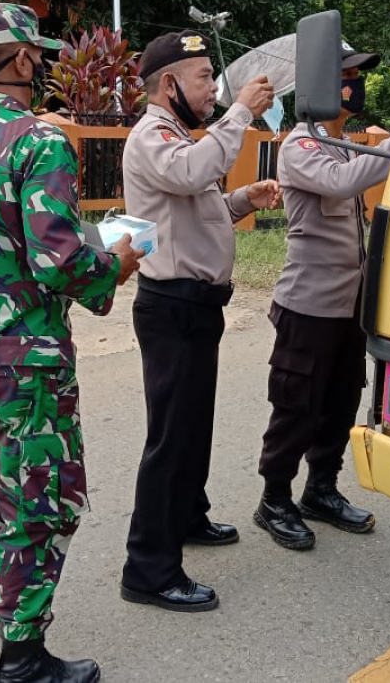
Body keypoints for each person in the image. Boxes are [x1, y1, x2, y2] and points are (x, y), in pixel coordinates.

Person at [0, 3, 142, 683]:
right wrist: (117, 263)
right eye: (36, 54)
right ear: (21, 59)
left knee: (1, 462)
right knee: (44, 497)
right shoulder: (38, 142)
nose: (40, 63)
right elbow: (59, 260)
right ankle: (23, 656)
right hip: (26, 357)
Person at [119, 30, 281, 612]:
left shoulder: (183, 138)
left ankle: (188, 515)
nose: (213, 89)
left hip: (197, 306)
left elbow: (195, 202)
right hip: (172, 306)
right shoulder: (153, 136)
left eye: (214, 80)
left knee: (193, 425)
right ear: (169, 85)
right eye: (204, 78)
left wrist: (242, 200)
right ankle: (148, 568)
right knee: (171, 437)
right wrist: (241, 111)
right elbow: (189, 174)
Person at [253, 43, 390, 551]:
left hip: (347, 306)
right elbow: (342, 185)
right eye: (345, 75)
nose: (354, 83)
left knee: (341, 400)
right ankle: (275, 498)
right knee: (297, 405)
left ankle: (321, 488)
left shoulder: (344, 144)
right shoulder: (301, 146)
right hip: (308, 304)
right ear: (320, 86)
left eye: (356, 74)